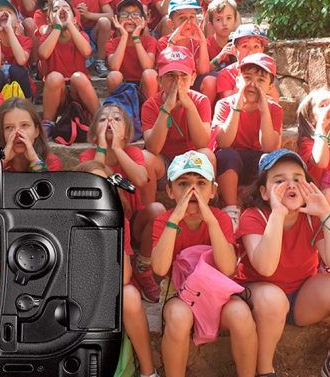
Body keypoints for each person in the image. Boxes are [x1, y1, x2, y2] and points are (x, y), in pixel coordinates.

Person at [237, 149, 330, 377]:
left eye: (298, 179)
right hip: (261, 296)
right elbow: (265, 267)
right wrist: (278, 214)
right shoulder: (254, 216)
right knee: (274, 299)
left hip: (301, 297)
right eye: (279, 180)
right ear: (264, 192)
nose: (290, 185)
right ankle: (265, 370)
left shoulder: (311, 216)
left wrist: (326, 213)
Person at [152, 150, 257, 377]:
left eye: (201, 183)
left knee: (240, 313)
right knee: (178, 318)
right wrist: (174, 221)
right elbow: (159, 269)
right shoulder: (164, 221)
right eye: (183, 184)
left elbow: (228, 268)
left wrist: (209, 219)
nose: (192, 191)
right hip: (180, 296)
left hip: (217, 297)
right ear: (170, 190)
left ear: (213, 191)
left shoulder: (219, 218)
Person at [73, 160, 160, 377]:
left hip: (108, 286)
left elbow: (124, 277)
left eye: (104, 184)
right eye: (91, 185)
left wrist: (108, 225)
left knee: (129, 295)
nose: (98, 191)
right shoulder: (68, 220)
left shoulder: (120, 221)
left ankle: (148, 372)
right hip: (75, 289)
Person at [80, 104, 167, 301]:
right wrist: (102, 147)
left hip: (132, 222)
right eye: (103, 119)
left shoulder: (132, 153)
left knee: (158, 209)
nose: (109, 122)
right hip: (105, 225)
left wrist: (118, 148)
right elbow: (96, 184)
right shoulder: (87, 157)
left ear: (127, 133)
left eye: (116, 119)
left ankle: (144, 269)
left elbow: (141, 179)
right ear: (94, 134)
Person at [212, 52, 282, 229]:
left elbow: (268, 146)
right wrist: (237, 107)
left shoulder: (274, 109)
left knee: (271, 160)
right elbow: (224, 142)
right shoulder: (224, 105)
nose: (252, 85)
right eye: (247, 78)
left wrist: (264, 110)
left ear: (270, 86)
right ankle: (231, 208)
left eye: (260, 80)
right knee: (227, 155)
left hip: (256, 161)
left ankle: (259, 204)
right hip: (229, 162)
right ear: (237, 80)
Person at [141, 45, 214, 189]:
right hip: (164, 162)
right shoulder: (150, 105)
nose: (177, 82)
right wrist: (167, 108)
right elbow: (153, 148)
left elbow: (202, 143)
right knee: (145, 157)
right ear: (159, 80)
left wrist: (190, 107)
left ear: (192, 78)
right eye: (170, 76)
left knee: (207, 154)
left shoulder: (201, 101)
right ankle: (148, 209)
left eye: (183, 76)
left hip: (192, 163)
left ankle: (205, 204)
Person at [38, 0, 99, 133]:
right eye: (56, 10)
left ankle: (99, 118)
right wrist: (58, 26)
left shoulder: (81, 35)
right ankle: (48, 123)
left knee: (78, 77)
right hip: (56, 93)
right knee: (54, 77)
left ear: (75, 19)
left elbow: (87, 51)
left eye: (66, 9)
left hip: (78, 91)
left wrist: (70, 24)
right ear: (49, 20)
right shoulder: (46, 37)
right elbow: (43, 54)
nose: (61, 11)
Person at [157, 0, 216, 106]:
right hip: (172, 83)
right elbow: (165, 72)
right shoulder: (164, 42)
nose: (188, 22)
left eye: (192, 17)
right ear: (171, 24)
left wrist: (203, 42)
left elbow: (204, 72)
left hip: (192, 84)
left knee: (210, 80)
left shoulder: (197, 42)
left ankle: (204, 113)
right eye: (182, 18)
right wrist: (172, 43)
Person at [0, 97, 63, 171]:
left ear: (36, 131)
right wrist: (2, 160)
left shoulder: (51, 162)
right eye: (9, 127)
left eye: (24, 125)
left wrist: (34, 160)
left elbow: (45, 182)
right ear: (1, 133)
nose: (17, 133)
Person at [106, 0, 159, 99]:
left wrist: (135, 37)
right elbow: (114, 67)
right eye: (124, 14)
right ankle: (120, 108)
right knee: (113, 75)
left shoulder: (150, 41)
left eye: (135, 14)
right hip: (123, 85)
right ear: (117, 19)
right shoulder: (112, 43)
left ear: (143, 19)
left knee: (150, 74)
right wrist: (124, 36)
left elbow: (147, 66)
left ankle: (149, 110)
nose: (130, 18)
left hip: (144, 84)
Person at [0, 0, 34, 96]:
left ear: (18, 23)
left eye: (9, 13)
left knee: (17, 69)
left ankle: (26, 105)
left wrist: (9, 29)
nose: (3, 14)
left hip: (21, 89)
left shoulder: (25, 40)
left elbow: (21, 60)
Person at [215, 24, 278, 101]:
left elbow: (275, 101)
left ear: (262, 50)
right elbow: (230, 103)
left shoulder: (265, 72)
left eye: (256, 46)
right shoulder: (226, 74)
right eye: (245, 46)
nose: (251, 51)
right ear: (235, 50)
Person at [69, 0, 113, 76]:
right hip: (76, 30)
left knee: (105, 22)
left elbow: (111, 15)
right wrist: (77, 13)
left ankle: (100, 61)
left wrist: (88, 15)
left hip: (94, 31)